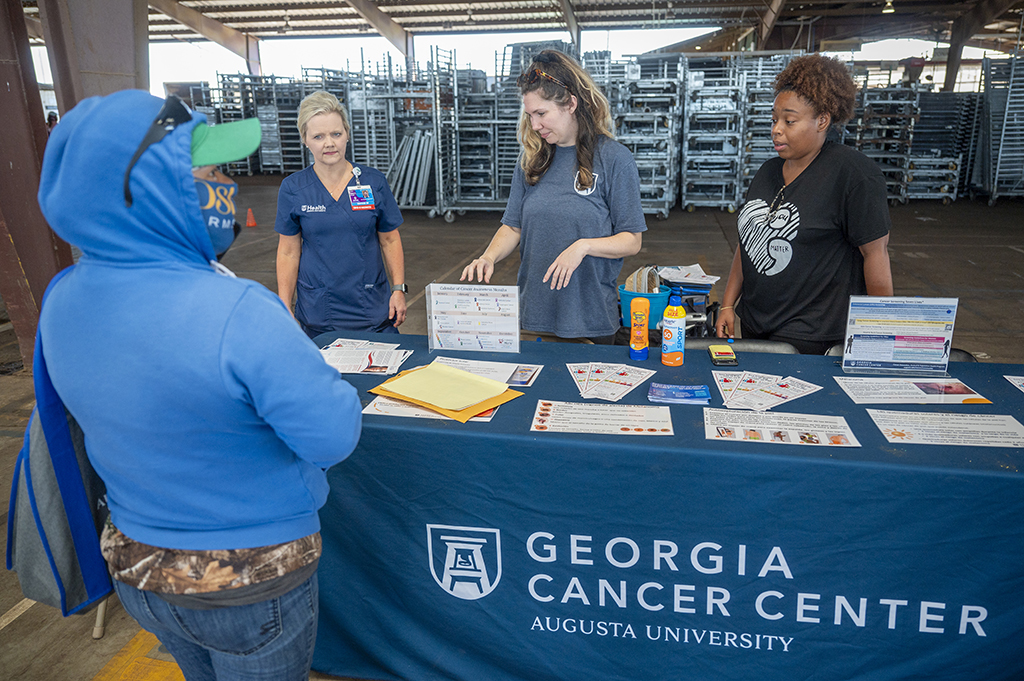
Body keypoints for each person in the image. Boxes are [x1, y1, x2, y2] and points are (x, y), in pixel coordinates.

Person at [37, 90, 363, 680]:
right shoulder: (238, 308)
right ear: (154, 190)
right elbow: (331, 435)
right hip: (249, 583)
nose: (225, 186)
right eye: (210, 171)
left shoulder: (61, 300)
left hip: (140, 569)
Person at [460, 50, 645, 344]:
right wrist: (488, 256)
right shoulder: (532, 161)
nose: (534, 125)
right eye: (530, 115)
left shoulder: (614, 159)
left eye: (541, 114)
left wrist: (582, 247)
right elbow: (513, 226)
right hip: (534, 316)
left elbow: (631, 240)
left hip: (590, 319)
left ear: (571, 104)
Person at [716, 54, 893, 355]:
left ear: (822, 120)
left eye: (789, 120)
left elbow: (874, 254)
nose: (776, 129)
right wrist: (728, 304)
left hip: (813, 339)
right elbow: (748, 243)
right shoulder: (768, 171)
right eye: (774, 119)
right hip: (756, 326)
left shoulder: (852, 174)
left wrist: (879, 333)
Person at [275, 90, 407, 339]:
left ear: (347, 133)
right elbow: (288, 251)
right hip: (319, 311)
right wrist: (284, 303)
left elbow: (390, 239)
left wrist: (399, 289)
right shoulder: (293, 189)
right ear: (305, 139)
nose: (329, 143)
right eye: (318, 136)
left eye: (336, 134)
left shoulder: (373, 182)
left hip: (372, 308)